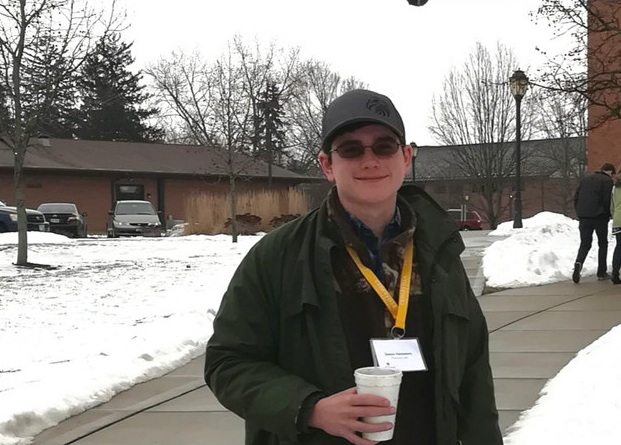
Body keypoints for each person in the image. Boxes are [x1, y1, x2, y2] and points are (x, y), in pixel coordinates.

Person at [204, 89, 501, 445]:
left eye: (384, 146)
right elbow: (229, 362)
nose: (370, 160)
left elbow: (472, 373)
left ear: (406, 157)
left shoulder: (439, 252)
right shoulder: (279, 257)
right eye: (351, 149)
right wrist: (309, 408)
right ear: (327, 165)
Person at [571, 162, 616, 283]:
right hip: (599, 216)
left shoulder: (585, 179)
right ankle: (601, 272)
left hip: (584, 216)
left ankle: (578, 263)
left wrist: (579, 211)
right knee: (603, 243)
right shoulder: (607, 181)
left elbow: (576, 197)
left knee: (585, 243)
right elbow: (607, 200)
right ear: (611, 172)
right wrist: (609, 213)